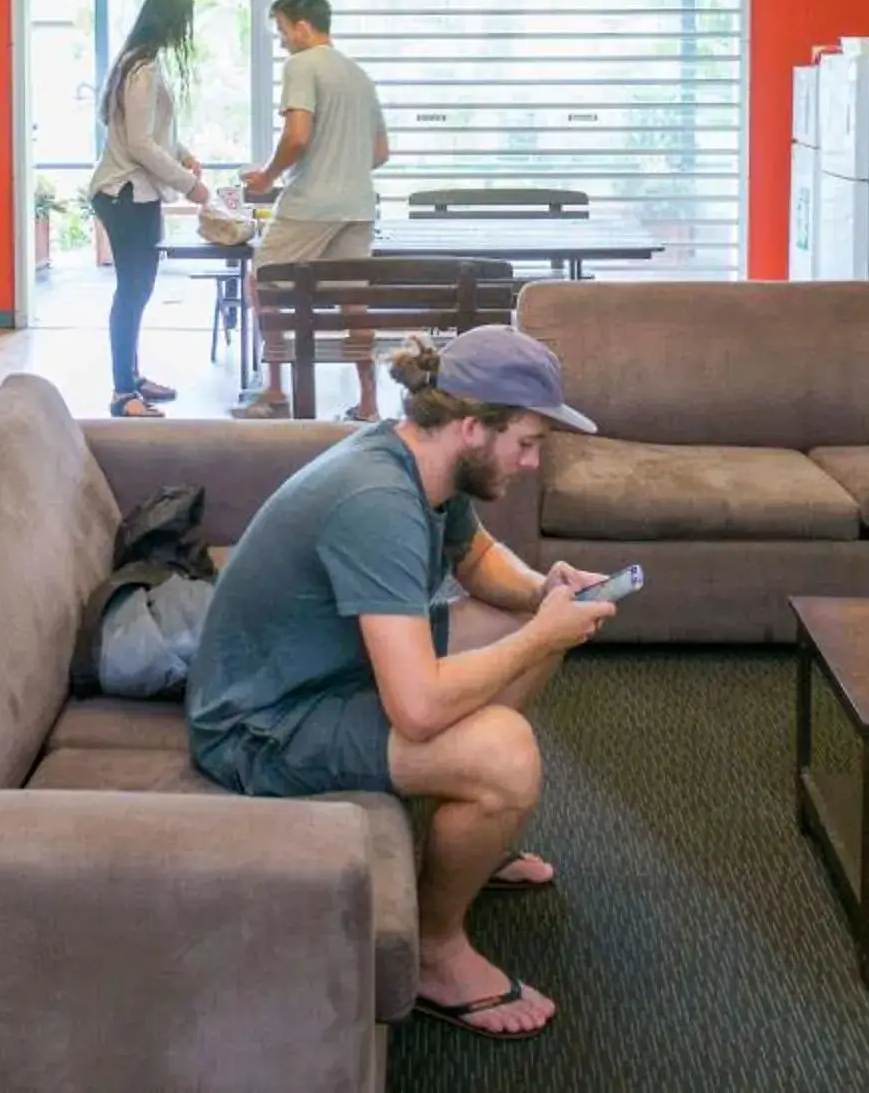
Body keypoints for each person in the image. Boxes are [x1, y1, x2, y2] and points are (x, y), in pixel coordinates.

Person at [186, 326, 613, 1041]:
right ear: (475, 427)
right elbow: (416, 710)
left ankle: (473, 829)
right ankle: (435, 953)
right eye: (528, 442)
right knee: (506, 753)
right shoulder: (376, 500)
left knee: (519, 625)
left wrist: (544, 595)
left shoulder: (429, 461)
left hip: (327, 674)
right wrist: (541, 633)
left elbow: (476, 563)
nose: (533, 463)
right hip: (260, 728)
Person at [237, 0, 388, 420]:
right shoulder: (359, 75)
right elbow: (380, 153)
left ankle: (275, 391)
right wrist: (343, 169)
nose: (282, 40)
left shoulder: (302, 65)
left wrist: (267, 176)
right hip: (358, 206)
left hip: (309, 205)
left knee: (262, 282)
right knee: (353, 302)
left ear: (302, 27)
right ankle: (369, 404)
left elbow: (298, 136)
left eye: (283, 30)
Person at [88, 0, 209, 418]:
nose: (185, 33)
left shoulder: (140, 64)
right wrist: (189, 184)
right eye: (183, 24)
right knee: (132, 291)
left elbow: (152, 136)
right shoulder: (141, 70)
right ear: (169, 22)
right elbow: (139, 144)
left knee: (138, 290)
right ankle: (123, 393)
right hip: (124, 194)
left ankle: (131, 377)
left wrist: (183, 154)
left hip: (133, 193)